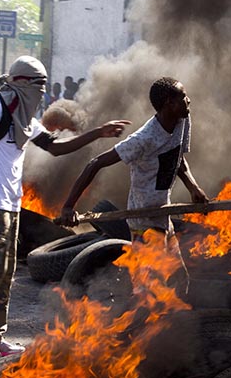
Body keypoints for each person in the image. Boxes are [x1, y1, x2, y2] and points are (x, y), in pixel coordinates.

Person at [0, 55, 130, 356]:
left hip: (11, 204)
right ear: (22, 82)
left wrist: (97, 133)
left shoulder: (22, 116)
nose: (41, 92)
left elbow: (55, 147)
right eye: (38, 84)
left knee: (5, 274)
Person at [58, 77, 208, 297]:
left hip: (162, 215)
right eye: (183, 97)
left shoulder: (181, 119)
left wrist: (193, 188)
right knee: (150, 290)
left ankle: (163, 325)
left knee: (179, 280)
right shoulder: (143, 139)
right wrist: (69, 206)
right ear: (169, 102)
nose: (188, 100)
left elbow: (178, 159)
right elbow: (95, 164)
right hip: (144, 221)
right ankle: (134, 327)